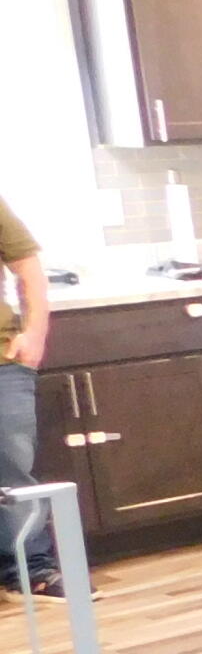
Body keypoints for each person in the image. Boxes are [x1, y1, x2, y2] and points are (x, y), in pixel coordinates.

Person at [0, 196, 61, 596]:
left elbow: (29, 269)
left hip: (3, 359)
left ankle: (31, 571)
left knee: (12, 468)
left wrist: (35, 334)